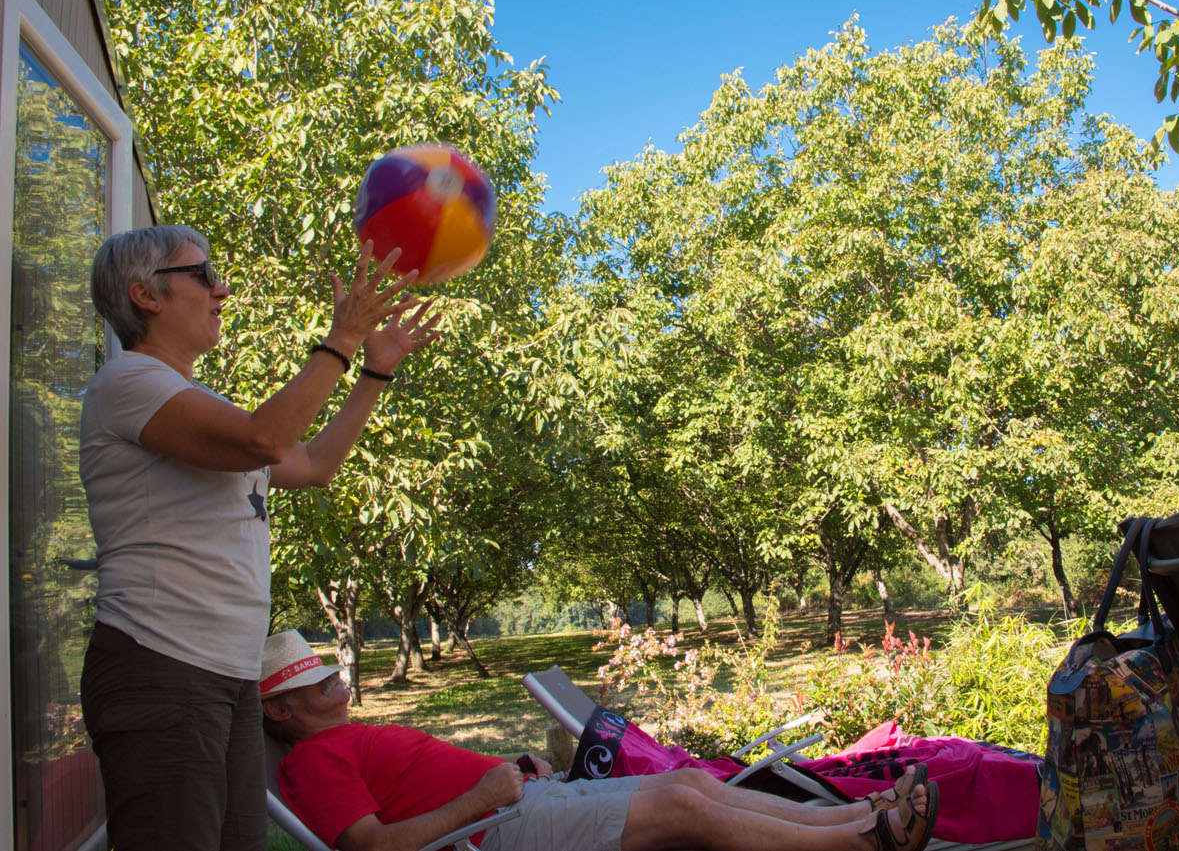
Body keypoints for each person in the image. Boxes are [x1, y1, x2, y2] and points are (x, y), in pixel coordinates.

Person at [79, 225, 439, 851]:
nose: (222, 289)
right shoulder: (127, 382)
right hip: (159, 664)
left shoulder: (191, 397)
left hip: (225, 672)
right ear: (146, 296)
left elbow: (313, 464)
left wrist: (374, 372)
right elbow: (264, 440)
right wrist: (343, 337)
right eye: (202, 275)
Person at [260, 631, 940, 851]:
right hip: (496, 826)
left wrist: (507, 773)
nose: (340, 684)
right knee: (687, 808)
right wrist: (480, 797)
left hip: (515, 800)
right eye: (321, 684)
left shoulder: (337, 740)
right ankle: (862, 840)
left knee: (692, 783)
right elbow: (370, 845)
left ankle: (857, 813)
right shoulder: (313, 758)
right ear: (284, 709)